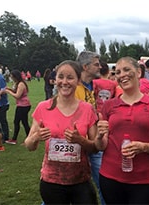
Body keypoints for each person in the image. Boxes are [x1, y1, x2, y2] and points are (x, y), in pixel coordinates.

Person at [24, 60, 98, 204]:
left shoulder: (87, 109)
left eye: (70, 77)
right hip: (52, 181)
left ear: (78, 81)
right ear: (55, 79)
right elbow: (29, 146)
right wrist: (36, 137)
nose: (64, 82)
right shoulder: (43, 107)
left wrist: (80, 140)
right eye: (61, 77)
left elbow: (95, 148)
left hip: (80, 180)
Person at [96, 56, 149, 204]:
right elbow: (101, 146)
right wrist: (98, 136)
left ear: (138, 73)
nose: (122, 75)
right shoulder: (109, 106)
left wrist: (143, 147)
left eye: (127, 69)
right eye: (118, 72)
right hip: (110, 176)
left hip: (143, 179)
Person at [74, 51, 105, 205]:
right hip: (75, 144)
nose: (100, 66)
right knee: (63, 185)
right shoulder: (72, 87)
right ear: (85, 67)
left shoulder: (92, 85)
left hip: (93, 142)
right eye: (96, 64)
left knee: (104, 183)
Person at [5, 70, 31, 145]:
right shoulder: (19, 83)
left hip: (23, 106)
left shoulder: (21, 84)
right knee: (23, 122)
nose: (11, 77)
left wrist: (9, 92)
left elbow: (17, 96)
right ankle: (28, 137)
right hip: (23, 105)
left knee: (18, 122)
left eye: (12, 76)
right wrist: (9, 89)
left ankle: (15, 139)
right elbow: (15, 91)